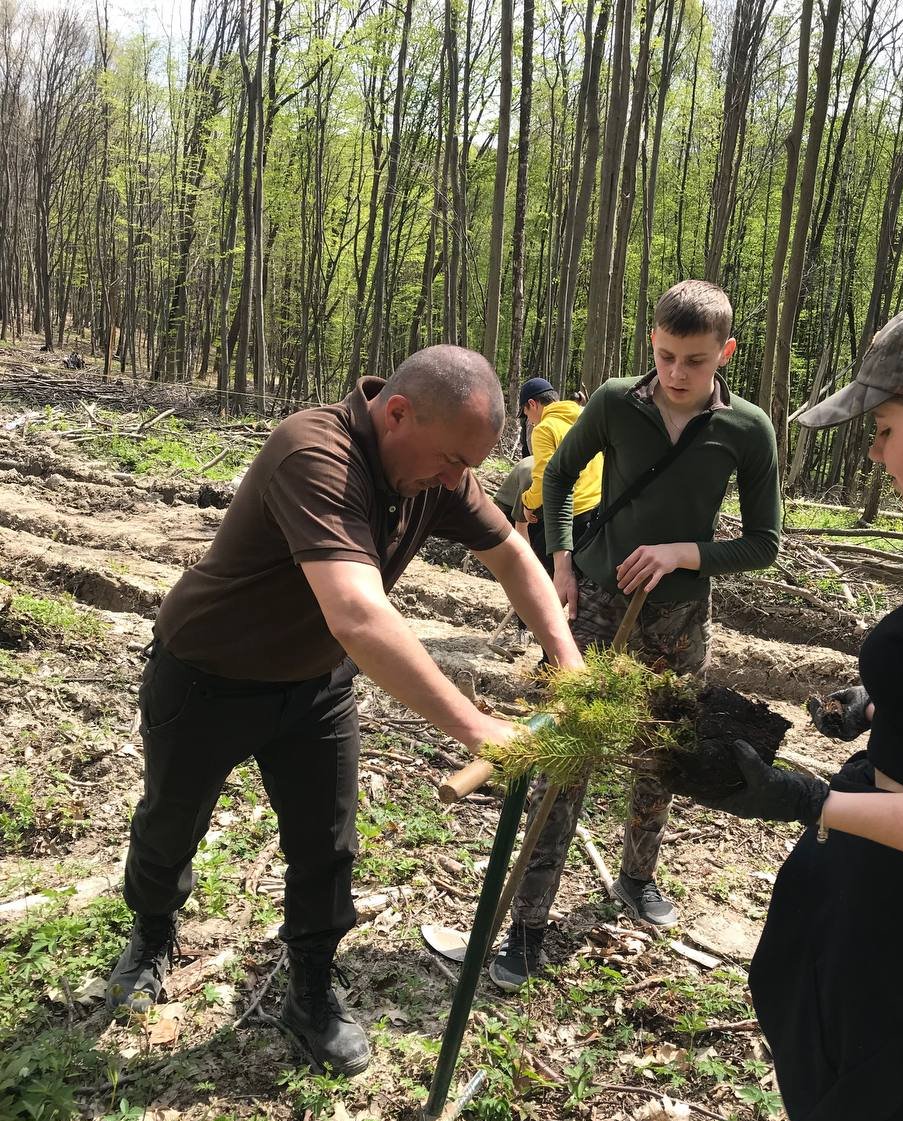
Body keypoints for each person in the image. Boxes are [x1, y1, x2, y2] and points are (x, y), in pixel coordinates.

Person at [104, 345, 584, 1076]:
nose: (460, 480)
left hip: (315, 687)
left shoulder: (438, 469)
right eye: (455, 459)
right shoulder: (314, 452)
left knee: (326, 846)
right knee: (172, 821)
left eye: (469, 466)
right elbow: (359, 616)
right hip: (208, 676)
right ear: (397, 414)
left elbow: (515, 557)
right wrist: (480, 727)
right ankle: (151, 931)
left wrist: (567, 658)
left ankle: (311, 990)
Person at [677, 290, 903, 1121]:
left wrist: (810, 799)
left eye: (884, 428)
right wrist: (884, 703)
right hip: (902, 898)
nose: (874, 454)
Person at [489, 279, 782, 991]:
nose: (678, 375)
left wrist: (685, 553)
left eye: (696, 361)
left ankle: (636, 877)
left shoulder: (747, 430)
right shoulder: (616, 402)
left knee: (662, 750)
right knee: (568, 753)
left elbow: (765, 543)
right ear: (650, 344)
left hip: (680, 617)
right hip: (594, 605)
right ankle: (527, 923)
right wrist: (562, 564)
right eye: (666, 355)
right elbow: (556, 479)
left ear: (726, 353)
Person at [516, 376, 603, 572]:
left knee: (542, 564)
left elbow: (544, 478)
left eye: (526, 413)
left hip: (570, 515)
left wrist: (528, 503)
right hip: (599, 510)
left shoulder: (544, 429)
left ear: (532, 404)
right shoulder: (585, 415)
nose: (529, 420)